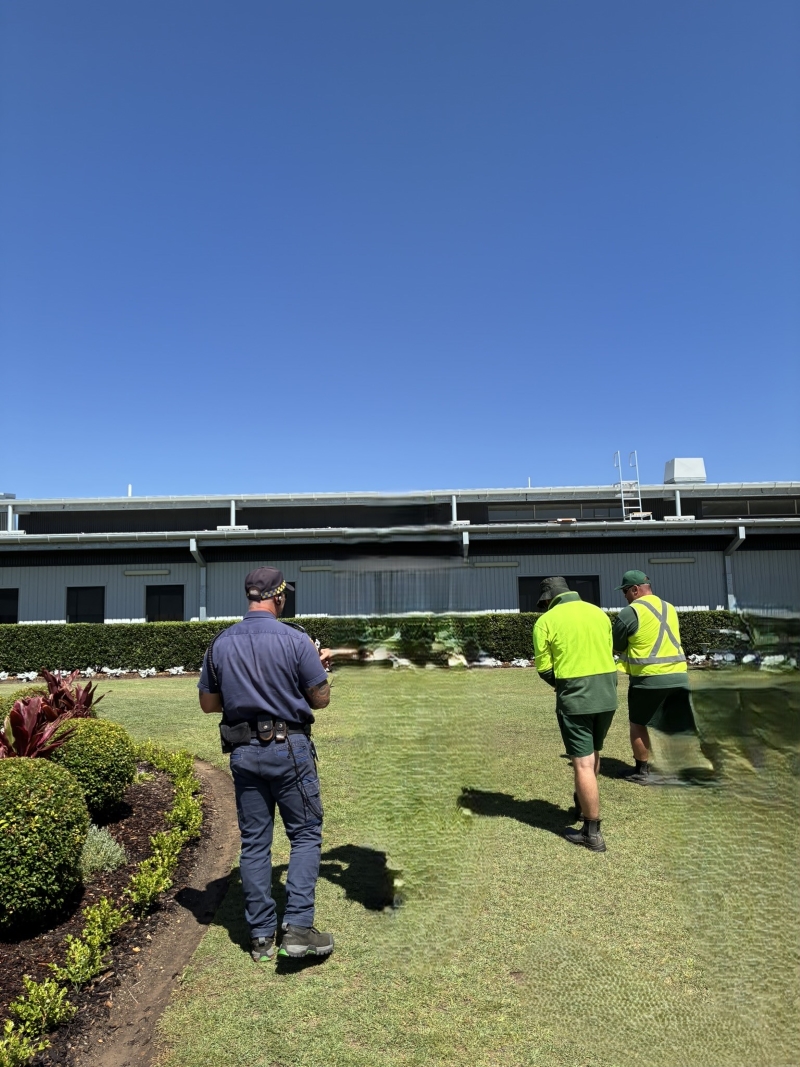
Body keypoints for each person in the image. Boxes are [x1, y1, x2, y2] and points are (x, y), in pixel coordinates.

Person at [198, 567, 335, 963]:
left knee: (255, 842)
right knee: (305, 834)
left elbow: (208, 704)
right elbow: (320, 699)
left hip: (243, 751)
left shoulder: (220, 643)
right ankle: (298, 928)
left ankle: (261, 937)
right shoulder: (296, 639)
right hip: (289, 747)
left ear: (250, 597)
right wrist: (319, 668)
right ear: (278, 597)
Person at [533, 577, 618, 853]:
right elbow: (609, 650)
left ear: (548, 599)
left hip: (576, 696)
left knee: (581, 763)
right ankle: (583, 805)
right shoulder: (599, 614)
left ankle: (591, 832)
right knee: (593, 752)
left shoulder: (546, 621)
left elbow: (544, 668)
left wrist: (561, 686)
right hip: (607, 694)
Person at [612, 569, 702, 784]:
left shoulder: (631, 612)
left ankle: (642, 770)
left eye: (625, 591)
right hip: (678, 676)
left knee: (638, 723)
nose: (624, 596)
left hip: (648, 678)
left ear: (635, 590)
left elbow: (616, 644)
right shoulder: (669, 608)